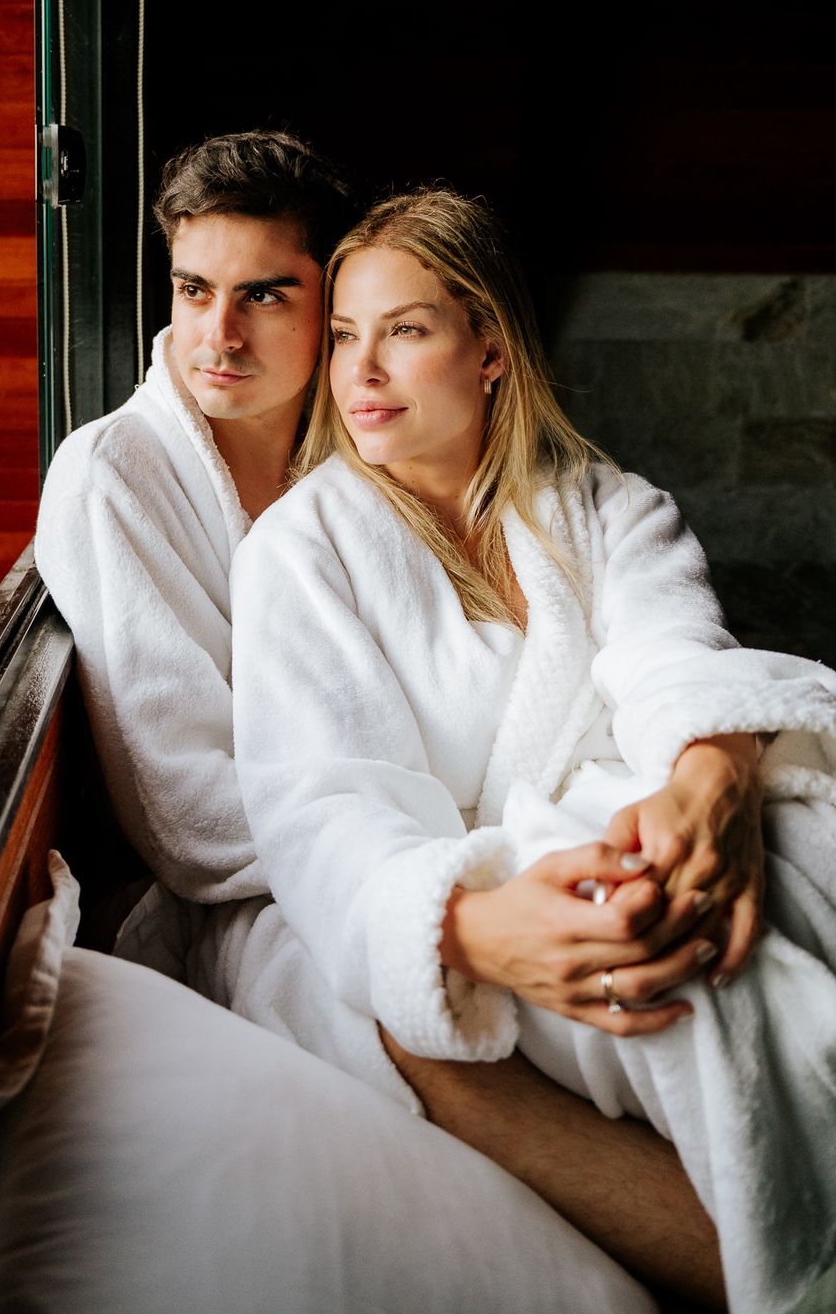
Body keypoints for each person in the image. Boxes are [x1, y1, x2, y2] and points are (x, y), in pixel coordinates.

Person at [229, 188, 836, 1314]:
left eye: (405, 330)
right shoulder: (300, 552)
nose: (362, 371)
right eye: (346, 336)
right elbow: (323, 807)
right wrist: (469, 927)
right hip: (476, 889)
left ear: (491, 350)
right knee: (700, 985)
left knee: (794, 859)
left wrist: (711, 772)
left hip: (627, 829)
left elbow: (677, 660)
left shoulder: (609, 508)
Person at [35, 131, 353, 907]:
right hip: (273, 889)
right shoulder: (110, 476)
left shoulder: (368, 457)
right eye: (195, 290)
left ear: (332, 306)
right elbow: (189, 815)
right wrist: (410, 864)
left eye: (263, 296)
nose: (219, 336)